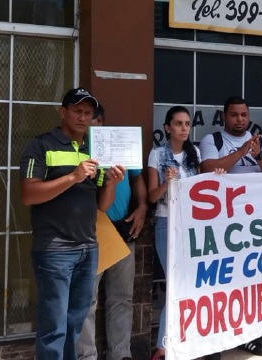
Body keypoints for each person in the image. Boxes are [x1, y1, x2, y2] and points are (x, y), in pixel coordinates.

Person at [20, 88, 125, 360]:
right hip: (54, 249)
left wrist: (112, 181)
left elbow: (102, 204)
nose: (83, 117)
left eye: (88, 113)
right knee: (53, 326)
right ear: (62, 112)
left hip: (88, 248)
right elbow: (29, 194)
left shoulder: (95, 150)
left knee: (75, 322)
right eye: (77, 111)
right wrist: (72, 177)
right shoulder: (41, 145)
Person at [198, 96, 262, 358]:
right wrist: (243, 151)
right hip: (224, 225)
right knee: (222, 283)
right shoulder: (213, 141)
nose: (240, 119)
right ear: (224, 116)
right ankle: (218, 339)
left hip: (255, 225)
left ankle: (248, 336)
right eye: (234, 115)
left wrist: (257, 155)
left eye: (244, 115)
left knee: (250, 283)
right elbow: (208, 168)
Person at [77, 105, 147, 360]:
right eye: (85, 118)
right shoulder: (78, 152)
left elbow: (137, 178)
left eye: (95, 119)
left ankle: (121, 354)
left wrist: (142, 206)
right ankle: (86, 356)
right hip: (91, 230)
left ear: (102, 121)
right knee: (87, 300)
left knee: (122, 297)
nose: (90, 123)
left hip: (123, 227)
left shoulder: (120, 146)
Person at [147, 106, 209, 360]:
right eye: (179, 123)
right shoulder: (157, 154)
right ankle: (163, 346)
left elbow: (205, 192)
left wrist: (215, 177)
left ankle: (184, 340)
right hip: (166, 222)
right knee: (175, 285)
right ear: (167, 128)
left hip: (192, 226)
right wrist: (166, 183)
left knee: (190, 284)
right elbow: (152, 197)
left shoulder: (195, 153)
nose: (184, 128)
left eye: (187, 124)